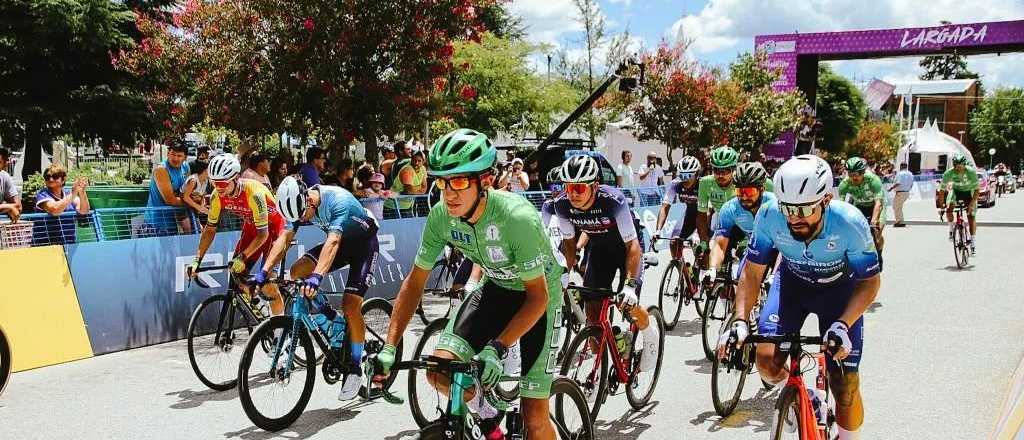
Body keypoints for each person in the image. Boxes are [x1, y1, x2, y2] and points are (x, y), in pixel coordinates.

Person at [375, 128, 562, 440]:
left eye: (459, 181)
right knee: (439, 371)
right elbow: (415, 281)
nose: (449, 192)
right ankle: (490, 421)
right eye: (442, 181)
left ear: (485, 181)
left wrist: (497, 347)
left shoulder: (517, 218)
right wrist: (390, 345)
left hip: (539, 299)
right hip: (497, 289)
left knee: (533, 418)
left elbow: (538, 298)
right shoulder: (440, 217)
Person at [719, 155, 881, 440]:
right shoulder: (770, 215)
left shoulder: (850, 223)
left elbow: (869, 281)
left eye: (804, 209)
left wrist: (844, 324)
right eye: (788, 208)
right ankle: (805, 396)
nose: (794, 217)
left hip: (840, 293)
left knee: (844, 385)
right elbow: (752, 273)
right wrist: (741, 320)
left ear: (826, 199)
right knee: (767, 361)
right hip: (792, 287)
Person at [258, 176, 381, 400]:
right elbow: (284, 238)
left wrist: (317, 277)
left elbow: (333, 242)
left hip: (363, 247)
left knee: (351, 305)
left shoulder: (338, 201)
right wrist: (264, 271)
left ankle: (355, 366)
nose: (301, 220)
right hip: (339, 243)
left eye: (303, 215)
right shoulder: (297, 206)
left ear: (308, 200)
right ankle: (332, 320)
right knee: (296, 272)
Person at [550, 155, 660, 375]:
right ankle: (602, 364)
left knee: (628, 304)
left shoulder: (613, 200)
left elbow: (633, 247)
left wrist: (629, 285)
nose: (573, 194)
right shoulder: (561, 205)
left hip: (628, 250)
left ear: (595, 186)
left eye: (579, 188)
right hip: (600, 250)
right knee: (592, 311)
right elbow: (570, 247)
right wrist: (562, 274)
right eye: (568, 187)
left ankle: (650, 334)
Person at [186, 154, 287, 314]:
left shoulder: (254, 193)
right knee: (236, 275)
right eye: (214, 183)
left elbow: (263, 235)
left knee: (268, 285)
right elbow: (210, 229)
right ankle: (260, 307)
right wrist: (197, 260)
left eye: (222, 183)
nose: (219, 188)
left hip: (273, 230)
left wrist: (242, 257)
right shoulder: (217, 197)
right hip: (252, 227)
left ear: (236, 178)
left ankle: (280, 330)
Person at [702, 162, 775, 283]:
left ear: (762, 189)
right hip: (757, 248)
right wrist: (713, 269)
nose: (744, 197)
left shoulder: (775, 205)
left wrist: (774, 275)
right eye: (740, 192)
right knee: (743, 279)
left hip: (780, 250)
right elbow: (720, 244)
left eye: (749, 192)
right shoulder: (730, 208)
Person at [653, 156, 702, 261]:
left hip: (705, 217)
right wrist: (658, 230)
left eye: (689, 175)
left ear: (697, 174)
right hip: (689, 215)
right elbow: (665, 207)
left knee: (701, 249)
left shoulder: (704, 185)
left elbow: (708, 212)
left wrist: (697, 233)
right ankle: (684, 274)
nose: (685, 179)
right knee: (674, 243)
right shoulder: (676, 184)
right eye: (682, 175)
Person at [696, 145, 740, 259]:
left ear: (734, 170)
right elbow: (701, 215)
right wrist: (703, 241)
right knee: (710, 256)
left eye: (725, 171)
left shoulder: (741, 182)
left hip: (743, 224)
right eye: (716, 170)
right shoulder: (705, 182)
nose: (720, 175)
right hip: (722, 222)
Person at [838, 157, 887, 257]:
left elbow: (878, 203)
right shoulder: (844, 184)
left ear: (863, 172)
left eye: (856, 174)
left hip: (876, 205)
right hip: (860, 206)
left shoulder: (873, 180)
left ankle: (879, 252)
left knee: (876, 234)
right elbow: (841, 205)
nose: (853, 178)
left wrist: (874, 220)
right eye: (850, 174)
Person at [34, 164, 90, 245]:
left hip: (69, 244)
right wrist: (74, 193)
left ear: (63, 180)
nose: (51, 179)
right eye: (47, 177)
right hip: (45, 245)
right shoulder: (42, 194)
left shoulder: (67, 193)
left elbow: (84, 211)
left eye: (55, 176)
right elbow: (55, 210)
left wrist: (81, 191)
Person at [145, 142, 191, 235]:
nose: (175, 158)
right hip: (157, 224)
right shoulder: (161, 170)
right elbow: (171, 200)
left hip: (173, 222)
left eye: (179, 156)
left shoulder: (185, 167)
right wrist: (191, 201)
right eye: (173, 154)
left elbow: (187, 190)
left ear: (185, 158)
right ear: (167, 154)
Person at [938, 154, 979, 254]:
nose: (958, 168)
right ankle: (951, 229)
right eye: (956, 166)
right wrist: (941, 206)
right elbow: (942, 191)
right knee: (949, 208)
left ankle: (973, 242)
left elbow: (977, 190)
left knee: (971, 216)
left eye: (961, 166)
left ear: (964, 165)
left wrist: (971, 205)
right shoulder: (949, 173)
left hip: (969, 192)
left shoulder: (971, 172)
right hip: (956, 191)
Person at [384, 145, 427, 217]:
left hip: (406, 206)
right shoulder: (407, 170)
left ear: (423, 161)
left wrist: (416, 191)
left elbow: (424, 188)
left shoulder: (423, 169)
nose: (416, 163)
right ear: (411, 159)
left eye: (419, 161)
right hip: (392, 207)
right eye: (414, 160)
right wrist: (419, 190)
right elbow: (409, 191)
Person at [889, 163, 914, 227]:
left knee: (896, 206)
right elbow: (911, 184)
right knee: (898, 207)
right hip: (906, 192)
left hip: (900, 192)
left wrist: (891, 188)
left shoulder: (900, 174)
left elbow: (898, 183)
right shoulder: (910, 174)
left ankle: (899, 221)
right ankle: (900, 220)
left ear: (901, 166)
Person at [0, 148, 20, 222]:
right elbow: (13, 206)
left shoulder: (4, 177)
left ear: (5, 164)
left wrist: (6, 206)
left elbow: (18, 205)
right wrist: (8, 207)